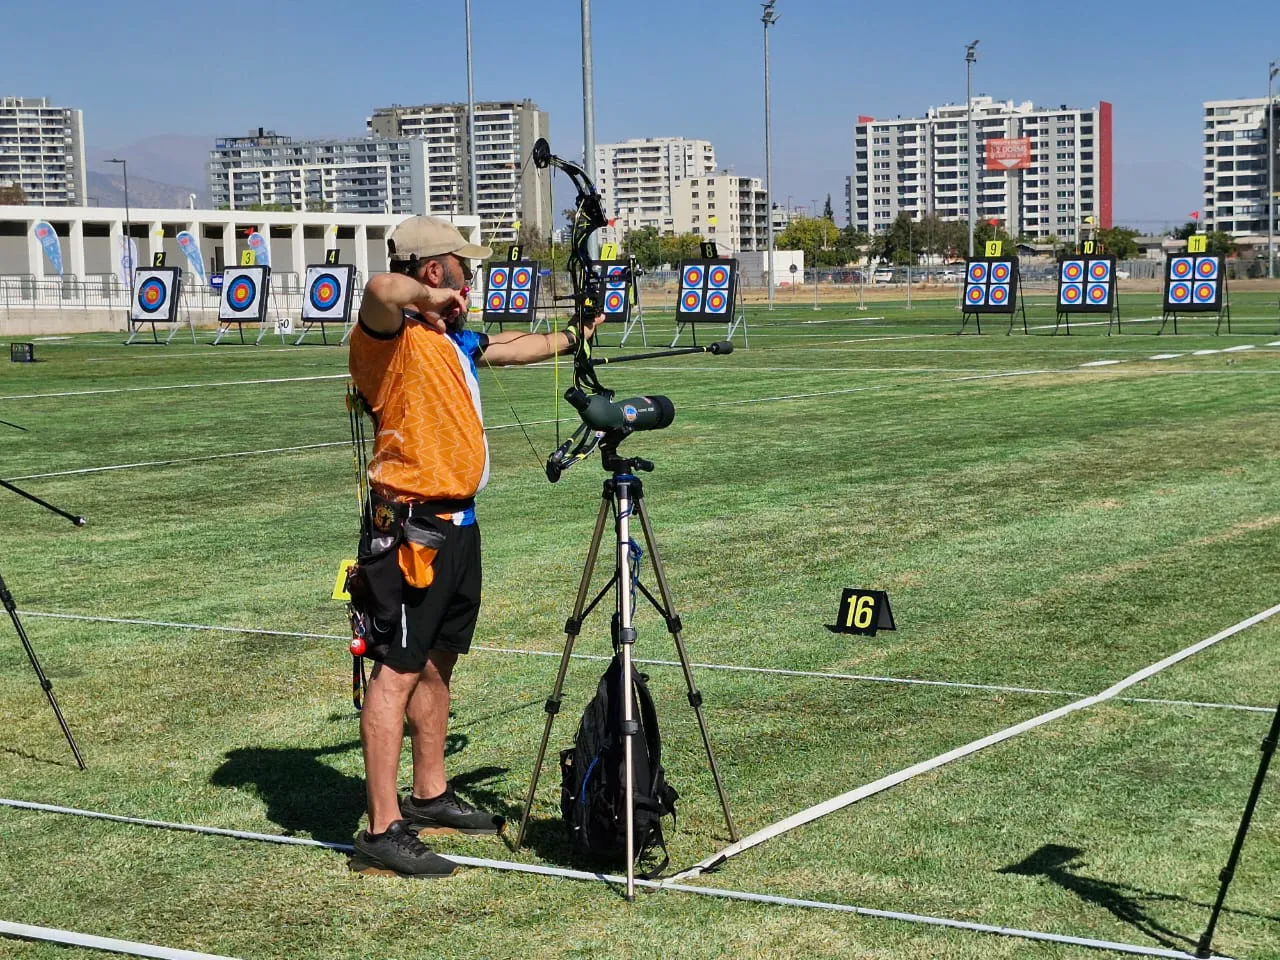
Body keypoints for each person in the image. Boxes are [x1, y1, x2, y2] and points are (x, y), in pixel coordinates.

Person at [346, 215, 602, 878]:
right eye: (465, 265)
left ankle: (428, 793)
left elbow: (511, 346)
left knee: (436, 664)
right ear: (435, 271)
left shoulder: (452, 339)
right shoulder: (390, 339)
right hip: (409, 531)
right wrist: (423, 300)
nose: (474, 275)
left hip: (458, 529)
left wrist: (571, 335)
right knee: (395, 674)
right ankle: (380, 829)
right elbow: (378, 288)